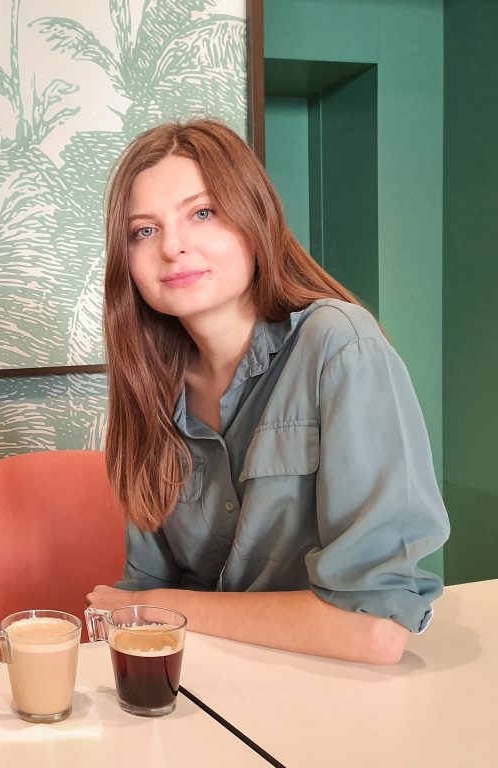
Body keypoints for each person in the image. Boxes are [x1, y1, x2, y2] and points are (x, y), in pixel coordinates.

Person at [87, 119, 449, 664]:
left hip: (335, 692)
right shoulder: (149, 390)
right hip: (207, 687)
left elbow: (373, 629)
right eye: (144, 231)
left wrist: (165, 608)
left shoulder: (339, 346)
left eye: (202, 213)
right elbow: (139, 602)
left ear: (254, 217)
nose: (173, 247)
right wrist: (151, 609)